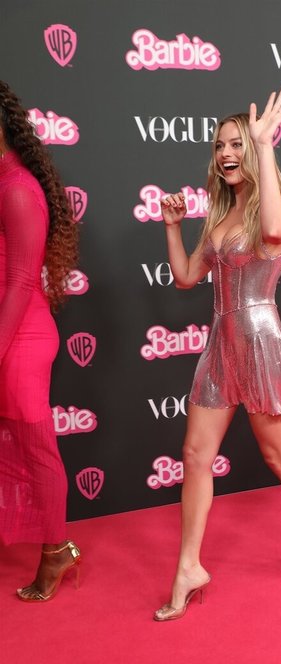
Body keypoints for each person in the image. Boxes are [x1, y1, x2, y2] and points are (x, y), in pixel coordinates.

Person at [154, 88, 281, 622]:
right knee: (195, 455)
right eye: (220, 146)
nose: (226, 153)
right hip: (221, 343)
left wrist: (265, 144)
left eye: (236, 144)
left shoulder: (271, 207)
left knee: (280, 458)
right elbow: (186, 277)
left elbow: (276, 231)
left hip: (259, 342)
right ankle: (189, 567)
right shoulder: (220, 214)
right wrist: (172, 227)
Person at [0, 80, 81, 600]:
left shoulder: (16, 188)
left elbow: (21, 281)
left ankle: (56, 552)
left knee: (37, 449)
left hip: (21, 337)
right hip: (9, 331)